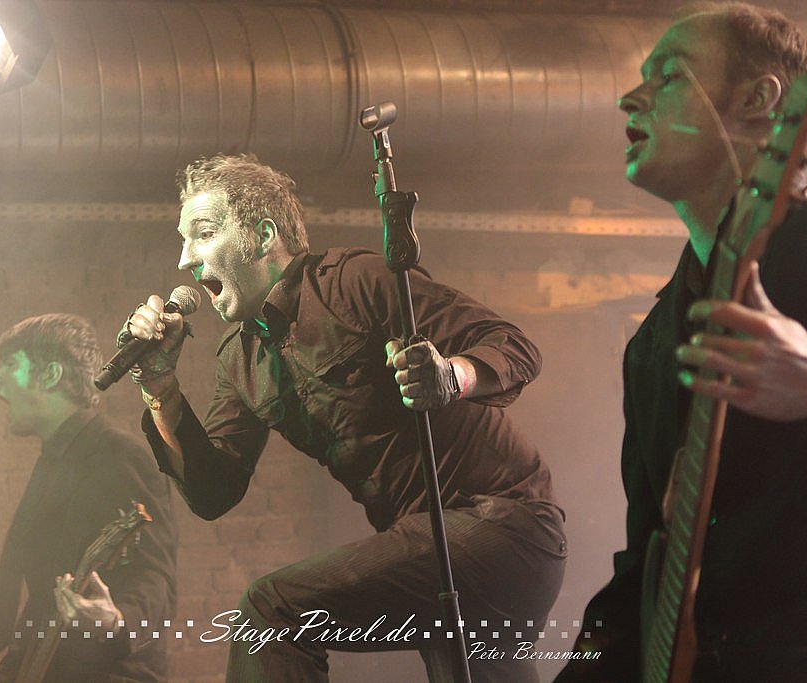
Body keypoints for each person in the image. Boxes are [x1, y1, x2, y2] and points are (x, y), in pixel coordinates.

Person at [120, 153, 567, 682]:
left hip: (501, 525)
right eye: (183, 240)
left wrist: (453, 377)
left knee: (273, 611)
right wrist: (159, 386)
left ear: (262, 237)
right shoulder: (240, 359)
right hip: (430, 551)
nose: (184, 259)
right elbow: (213, 492)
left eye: (203, 234)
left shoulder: (354, 281)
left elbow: (513, 346)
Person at [556, 3, 807, 681]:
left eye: (668, 75)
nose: (629, 97)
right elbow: (642, 571)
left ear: (759, 100)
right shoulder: (651, 347)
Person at [0, 313, 178, 682]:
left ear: (51, 374)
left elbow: (155, 577)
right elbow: (46, 595)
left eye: (10, 364)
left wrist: (116, 621)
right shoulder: (53, 460)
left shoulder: (119, 455)